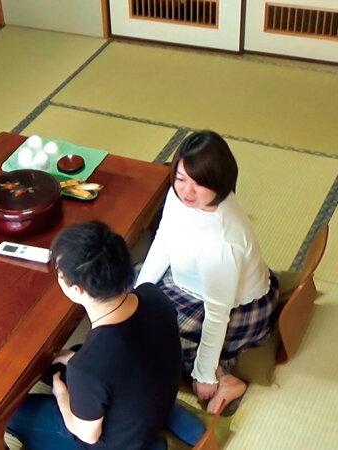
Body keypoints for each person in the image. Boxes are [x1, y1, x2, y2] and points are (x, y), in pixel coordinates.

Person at [136, 130, 279, 414]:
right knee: (126, 289)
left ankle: (223, 378)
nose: (187, 191)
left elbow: (217, 313)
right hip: (190, 286)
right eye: (180, 178)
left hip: (238, 310)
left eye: (199, 184)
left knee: (152, 335)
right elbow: (164, 239)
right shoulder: (179, 196)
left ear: (219, 182)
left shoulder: (222, 241)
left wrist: (204, 373)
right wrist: (138, 292)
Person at [7, 221, 182, 449]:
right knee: (67, 361)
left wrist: (61, 395)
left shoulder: (88, 366)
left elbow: (88, 435)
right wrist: (75, 362)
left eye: (59, 272)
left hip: (118, 444)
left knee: (13, 412)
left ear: (77, 289)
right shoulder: (153, 295)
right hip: (153, 406)